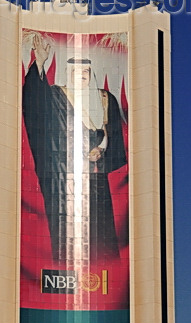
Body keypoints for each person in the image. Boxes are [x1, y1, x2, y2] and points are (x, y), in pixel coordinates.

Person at [22, 33, 127, 263]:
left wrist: (102, 148)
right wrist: (39, 62)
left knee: (100, 236)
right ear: (69, 74)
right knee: (69, 232)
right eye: (76, 73)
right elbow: (35, 103)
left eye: (85, 73)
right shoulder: (57, 96)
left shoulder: (104, 98)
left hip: (95, 179)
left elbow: (111, 131)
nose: (81, 77)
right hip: (65, 181)